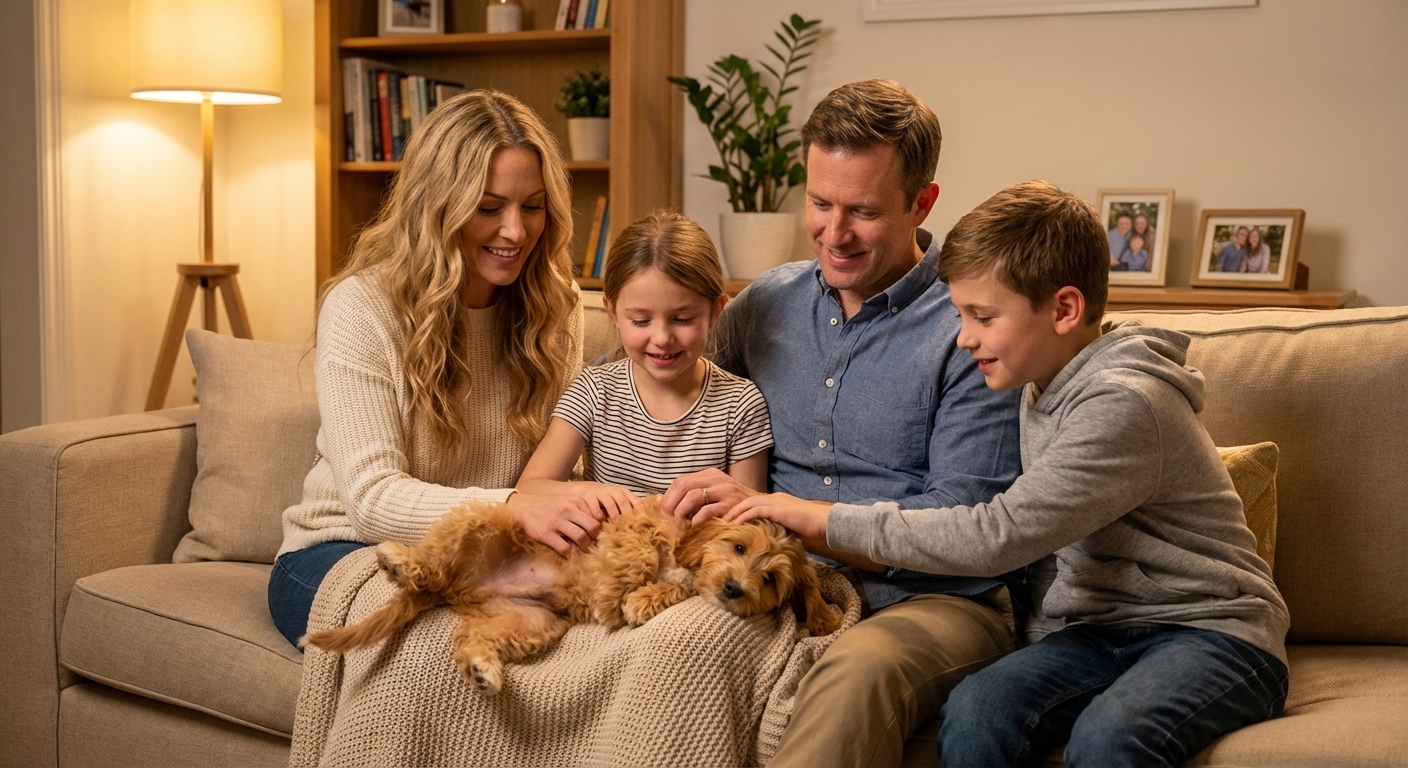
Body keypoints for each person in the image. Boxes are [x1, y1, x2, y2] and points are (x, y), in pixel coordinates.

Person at [729, 180, 1290, 768]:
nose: (964, 336)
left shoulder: (1126, 404)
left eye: (982, 316)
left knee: (1110, 738)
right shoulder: (1039, 381)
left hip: (1211, 635)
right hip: (1094, 634)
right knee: (978, 712)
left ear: (1064, 310)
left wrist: (816, 517)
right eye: (960, 314)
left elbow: (998, 534)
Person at [662, 79, 1024, 767]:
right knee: (674, 645)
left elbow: (964, 521)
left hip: (934, 599)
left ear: (923, 203)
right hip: (778, 579)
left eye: (861, 211)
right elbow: (665, 387)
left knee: (855, 673)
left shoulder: (969, 324)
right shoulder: (767, 302)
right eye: (820, 203)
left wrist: (790, 513)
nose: (833, 233)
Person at [267, 89, 591, 647]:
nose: (515, 231)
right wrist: (515, 508)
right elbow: (371, 500)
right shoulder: (361, 306)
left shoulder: (558, 306)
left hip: (493, 551)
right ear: (435, 204)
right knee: (450, 636)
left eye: (532, 206)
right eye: (489, 208)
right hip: (341, 552)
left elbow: (564, 472)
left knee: (581, 627)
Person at [517, 210, 773, 506]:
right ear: (612, 312)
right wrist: (586, 491)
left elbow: (749, 522)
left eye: (683, 318)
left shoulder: (741, 404)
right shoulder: (594, 391)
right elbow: (528, 489)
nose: (662, 338)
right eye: (640, 321)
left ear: (715, 311)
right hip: (610, 549)